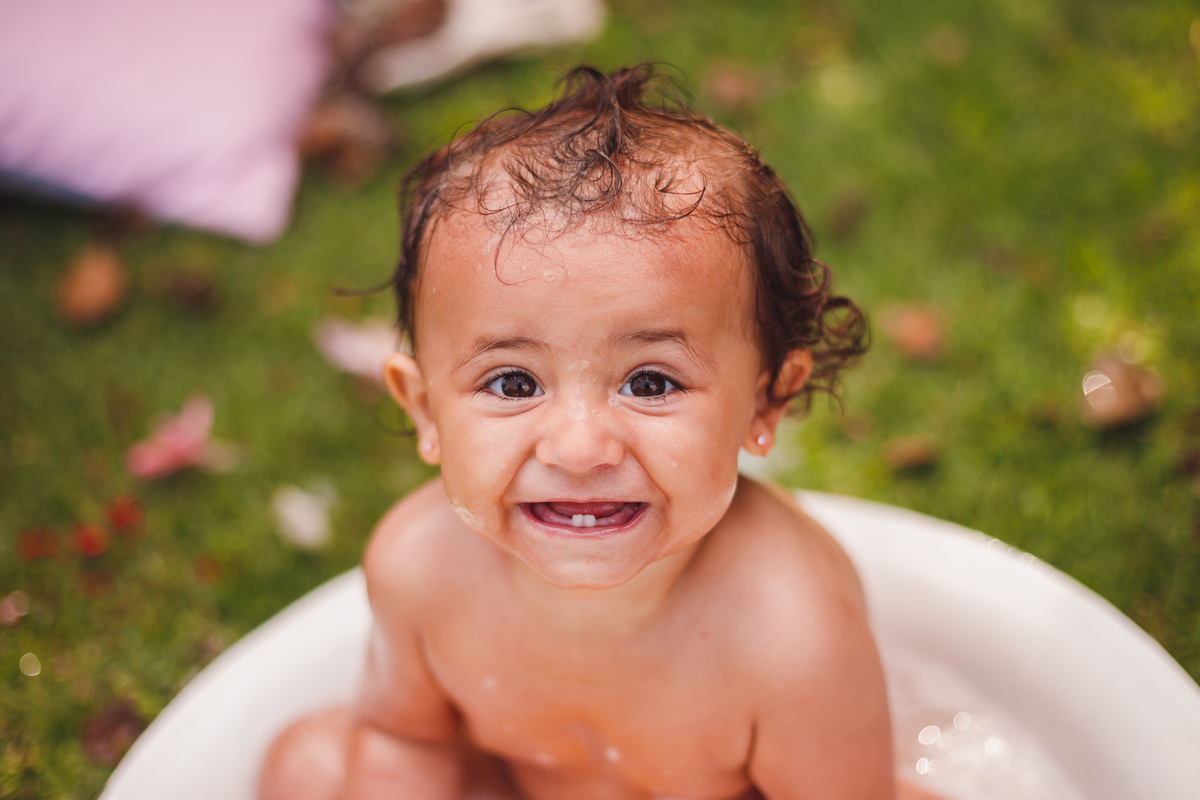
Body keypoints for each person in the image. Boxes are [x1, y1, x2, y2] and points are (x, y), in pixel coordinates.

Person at [259, 64, 937, 800]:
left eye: (651, 382)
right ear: (424, 410)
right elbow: (405, 739)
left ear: (766, 403)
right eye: (512, 383)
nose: (579, 450)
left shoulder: (789, 635)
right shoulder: (419, 569)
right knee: (310, 765)